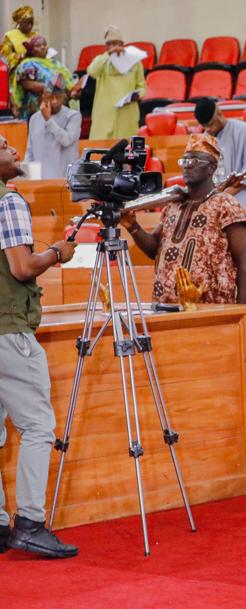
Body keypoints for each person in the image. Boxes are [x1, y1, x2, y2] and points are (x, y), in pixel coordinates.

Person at [0, 134, 79, 559]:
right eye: (4, 146)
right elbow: (21, 267)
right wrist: (57, 253)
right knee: (37, 427)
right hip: (8, 329)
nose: (15, 151)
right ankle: (30, 522)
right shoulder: (9, 201)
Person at [122, 134, 246, 304]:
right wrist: (132, 226)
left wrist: (241, 311)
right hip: (166, 307)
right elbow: (154, 249)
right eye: (184, 161)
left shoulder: (225, 204)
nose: (187, 165)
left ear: (211, 168)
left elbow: (245, 262)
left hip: (212, 309)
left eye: (194, 161)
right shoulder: (172, 205)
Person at [194, 97, 246, 210]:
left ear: (219, 113)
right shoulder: (204, 140)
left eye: (210, 124)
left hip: (245, 194)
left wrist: (223, 195)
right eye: (204, 126)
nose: (208, 129)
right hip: (216, 199)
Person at [81, 26, 146, 141]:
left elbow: (142, 86)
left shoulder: (135, 63)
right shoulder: (101, 60)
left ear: (122, 44)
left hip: (127, 113)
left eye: (115, 43)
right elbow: (92, 72)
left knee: (127, 146)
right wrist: (107, 55)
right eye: (109, 44)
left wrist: (138, 95)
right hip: (105, 114)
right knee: (101, 148)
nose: (113, 47)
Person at [24, 81, 82, 180]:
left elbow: (66, 140)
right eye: (50, 97)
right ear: (43, 97)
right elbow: (30, 151)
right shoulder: (34, 118)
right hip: (40, 181)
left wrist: (48, 120)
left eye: (58, 97)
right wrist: (27, 177)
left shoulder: (73, 116)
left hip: (64, 180)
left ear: (64, 97)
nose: (54, 101)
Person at [12, 35, 74, 120]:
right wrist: (50, 87)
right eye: (38, 45)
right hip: (37, 109)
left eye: (44, 44)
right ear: (32, 50)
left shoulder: (55, 64)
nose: (42, 47)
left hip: (58, 108)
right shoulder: (27, 64)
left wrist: (72, 91)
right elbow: (26, 84)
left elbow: (66, 82)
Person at [0, 6, 36, 83]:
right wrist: (22, 56)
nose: (30, 26)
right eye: (27, 23)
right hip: (18, 74)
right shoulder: (10, 36)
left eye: (32, 23)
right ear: (19, 22)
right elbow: (5, 57)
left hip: (36, 71)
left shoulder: (34, 35)